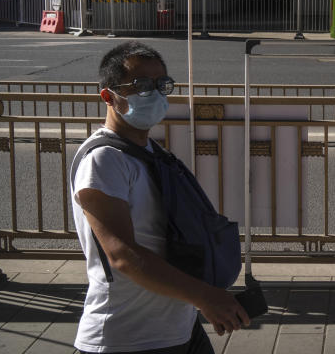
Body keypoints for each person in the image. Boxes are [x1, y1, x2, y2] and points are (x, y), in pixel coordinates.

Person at [69, 41, 249, 354]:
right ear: (109, 97)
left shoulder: (152, 153)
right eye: (140, 85)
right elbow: (121, 255)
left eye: (160, 84)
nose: (153, 93)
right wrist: (204, 297)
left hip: (177, 327)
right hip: (128, 337)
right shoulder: (104, 160)